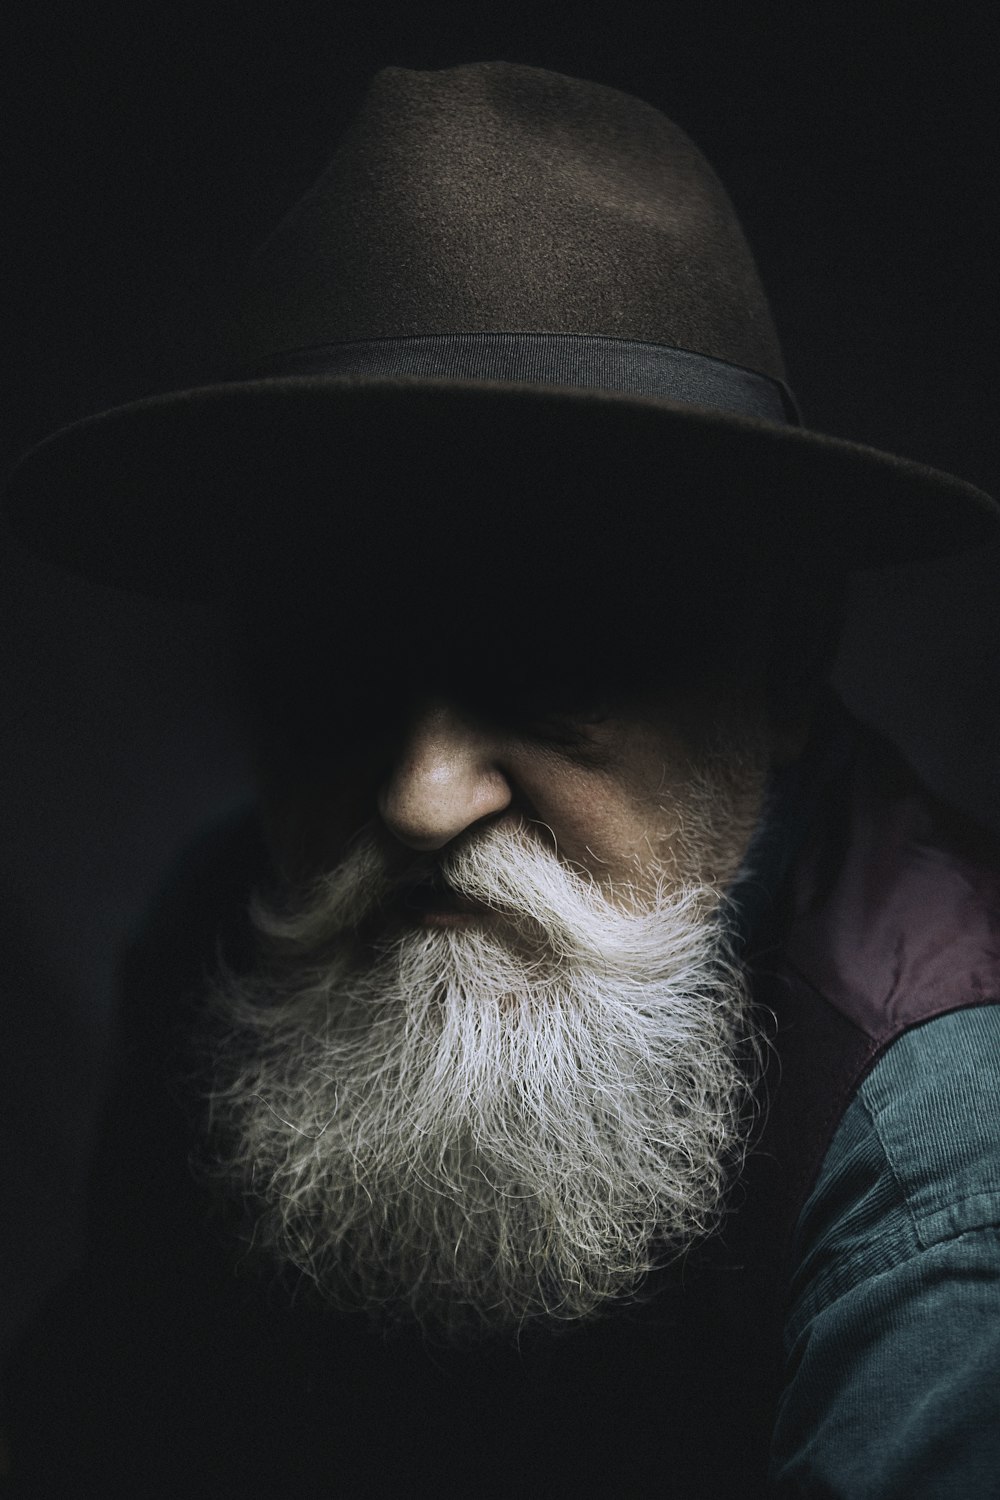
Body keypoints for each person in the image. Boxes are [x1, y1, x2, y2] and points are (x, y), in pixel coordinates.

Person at [3, 60, 1000, 1498]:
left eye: (552, 661)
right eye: (336, 667)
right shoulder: (236, 941)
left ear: (782, 672)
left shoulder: (948, 1161)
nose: (419, 798)